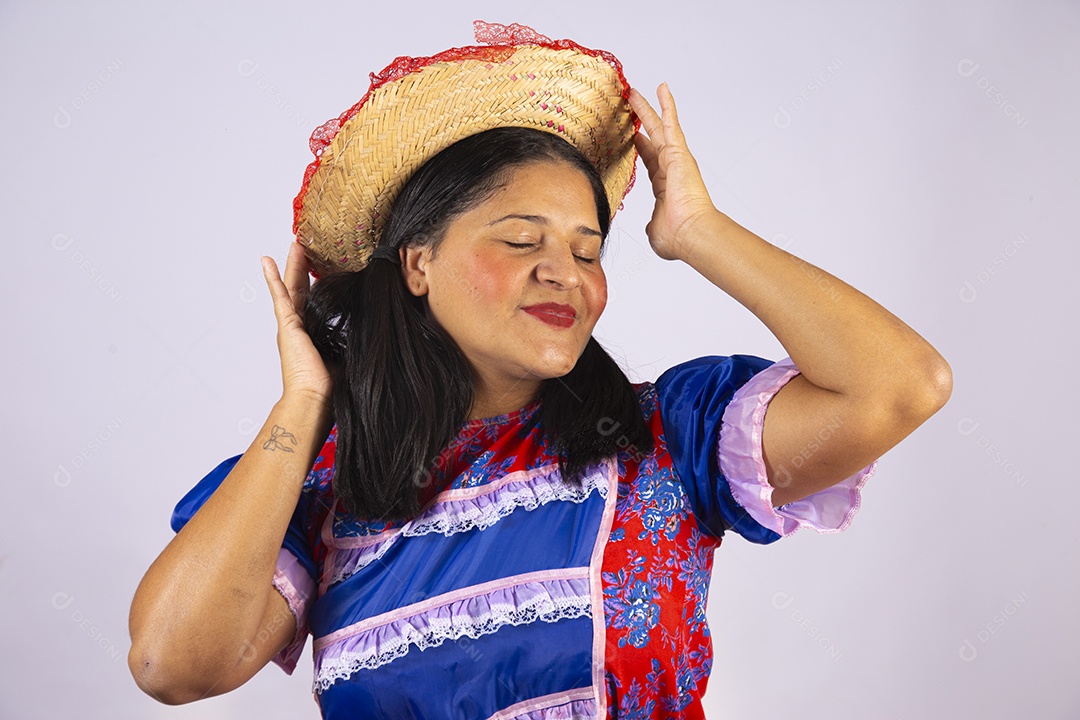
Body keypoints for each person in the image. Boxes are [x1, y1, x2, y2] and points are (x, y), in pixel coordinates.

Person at [127, 22, 951, 719]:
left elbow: (902, 386)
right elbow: (171, 665)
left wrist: (698, 229)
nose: (565, 272)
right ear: (418, 263)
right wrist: (304, 403)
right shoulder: (325, 489)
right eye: (522, 240)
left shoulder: (670, 438)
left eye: (587, 251)